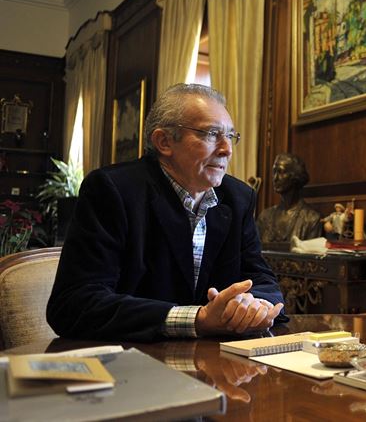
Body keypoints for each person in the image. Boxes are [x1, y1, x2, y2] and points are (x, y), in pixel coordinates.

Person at [47, 84, 287, 342]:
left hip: (217, 366)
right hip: (133, 365)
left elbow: (264, 283)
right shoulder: (112, 191)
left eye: (230, 136)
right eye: (211, 134)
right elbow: (74, 304)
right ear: (164, 141)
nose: (226, 149)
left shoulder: (238, 198)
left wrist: (252, 305)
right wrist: (198, 319)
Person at [256, 153, 322, 244]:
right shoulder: (265, 217)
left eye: (281, 172)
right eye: (274, 172)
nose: (275, 178)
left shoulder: (311, 219)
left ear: (295, 176)